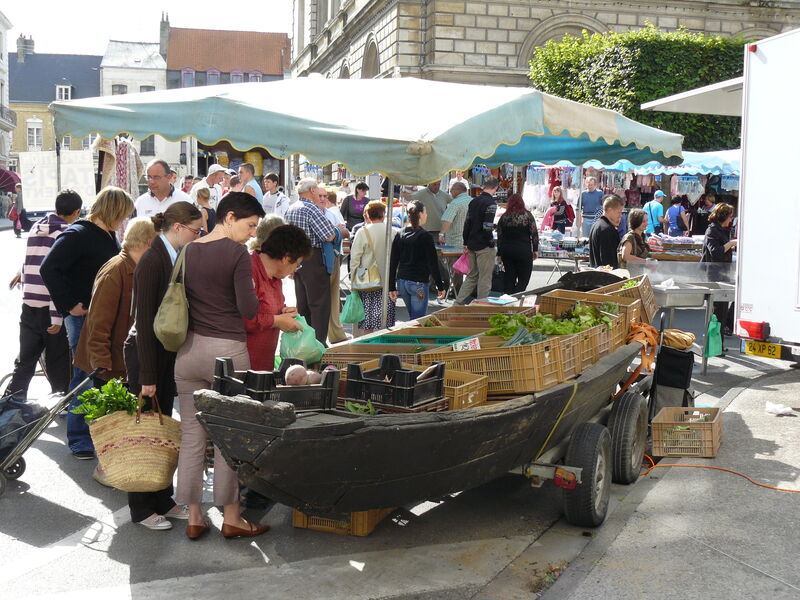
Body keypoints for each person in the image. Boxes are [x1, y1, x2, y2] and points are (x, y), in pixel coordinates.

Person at [174, 192, 267, 540]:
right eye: (249, 225)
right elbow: (247, 308)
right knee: (229, 437)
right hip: (226, 353)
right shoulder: (235, 253)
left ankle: (194, 516)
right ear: (229, 217)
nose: (251, 233)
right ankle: (232, 517)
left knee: (192, 435)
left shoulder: (190, 249)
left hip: (188, 352)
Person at [122, 201, 202, 530]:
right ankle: (141, 509)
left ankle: (163, 499)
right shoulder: (154, 260)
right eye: (197, 230)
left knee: (162, 434)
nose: (199, 236)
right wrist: (148, 377)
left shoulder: (169, 254)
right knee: (145, 438)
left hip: (160, 356)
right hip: (147, 359)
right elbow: (142, 322)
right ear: (178, 227)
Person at [40, 187, 134, 459]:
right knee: (84, 377)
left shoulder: (106, 233)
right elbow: (49, 268)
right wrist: (69, 305)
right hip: (82, 319)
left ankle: (95, 435)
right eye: (123, 214)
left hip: (97, 317)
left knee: (96, 377)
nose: (124, 219)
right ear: (114, 211)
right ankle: (80, 439)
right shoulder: (78, 233)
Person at [73, 218, 157, 485]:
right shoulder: (117, 269)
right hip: (108, 362)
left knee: (122, 418)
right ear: (149, 242)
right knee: (112, 420)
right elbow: (98, 321)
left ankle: (117, 466)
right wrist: (101, 361)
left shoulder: (134, 267)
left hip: (121, 360)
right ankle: (105, 468)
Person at [3, 190, 82, 402]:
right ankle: (62, 402)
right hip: (50, 308)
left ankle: (12, 403)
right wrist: (57, 317)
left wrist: (22, 273)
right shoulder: (67, 234)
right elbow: (56, 279)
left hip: (29, 303)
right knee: (58, 361)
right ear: (76, 212)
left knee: (26, 358)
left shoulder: (36, 228)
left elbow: (33, 261)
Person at [245, 224, 309, 371]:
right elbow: (244, 319)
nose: (294, 271)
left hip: (263, 365)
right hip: (244, 365)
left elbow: (270, 311)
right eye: (297, 265)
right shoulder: (248, 269)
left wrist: (286, 314)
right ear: (286, 258)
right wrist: (277, 320)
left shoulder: (276, 278)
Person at [285, 179, 337, 346]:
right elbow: (329, 235)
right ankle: (318, 343)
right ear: (312, 190)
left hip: (295, 257)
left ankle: (306, 341)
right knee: (319, 304)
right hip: (312, 258)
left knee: (303, 304)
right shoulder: (311, 209)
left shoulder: (291, 208)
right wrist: (338, 231)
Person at [389, 201, 445, 319]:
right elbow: (432, 263)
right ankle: (414, 337)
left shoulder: (400, 234)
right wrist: (440, 286)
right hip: (418, 282)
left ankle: (410, 336)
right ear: (420, 214)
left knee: (413, 318)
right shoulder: (425, 236)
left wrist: (391, 286)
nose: (427, 215)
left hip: (402, 282)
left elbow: (393, 261)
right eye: (425, 212)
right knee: (418, 319)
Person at [350, 201, 397, 332]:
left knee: (367, 319)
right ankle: (382, 345)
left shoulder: (362, 232)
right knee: (385, 318)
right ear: (383, 215)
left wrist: (353, 280)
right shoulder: (392, 231)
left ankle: (368, 345)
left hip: (366, 278)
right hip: (387, 278)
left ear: (368, 215)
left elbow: (355, 259)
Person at [454, 177, 499, 305]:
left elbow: (467, 223)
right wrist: (491, 243)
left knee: (471, 276)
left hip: (472, 243)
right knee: (485, 278)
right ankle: (480, 306)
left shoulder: (474, 201)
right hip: (483, 246)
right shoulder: (491, 204)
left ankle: (458, 303)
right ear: (495, 188)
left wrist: (465, 242)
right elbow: (487, 226)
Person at [317, 187, 349, 343]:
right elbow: (332, 235)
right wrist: (337, 232)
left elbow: (340, 233)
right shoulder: (319, 213)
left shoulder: (330, 213)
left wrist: (336, 233)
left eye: (325, 196)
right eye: (320, 196)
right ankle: (326, 335)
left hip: (332, 258)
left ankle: (334, 334)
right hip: (319, 260)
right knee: (321, 300)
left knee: (332, 298)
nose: (323, 199)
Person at [702, 202, 737, 337]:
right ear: (723, 216)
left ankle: (718, 343)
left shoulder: (721, 230)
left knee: (721, 310)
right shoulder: (712, 230)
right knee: (717, 311)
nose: (731, 219)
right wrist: (732, 243)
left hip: (722, 273)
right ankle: (714, 342)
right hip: (714, 275)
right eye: (729, 216)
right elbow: (716, 252)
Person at [497, 193, 539, 294]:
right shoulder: (527, 215)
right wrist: (535, 250)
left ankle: (509, 299)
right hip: (523, 250)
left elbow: (500, 237)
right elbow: (534, 234)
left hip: (507, 251)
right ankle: (517, 296)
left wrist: (499, 253)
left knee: (509, 278)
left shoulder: (504, 217)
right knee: (523, 279)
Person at [438, 181, 472, 297]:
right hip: (469, 241)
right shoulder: (473, 201)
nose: (451, 193)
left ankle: (456, 291)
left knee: (455, 268)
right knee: (469, 268)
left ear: (457, 190)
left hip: (455, 241)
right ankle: (467, 291)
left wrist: (441, 234)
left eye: (451, 190)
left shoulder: (455, 203)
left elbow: (447, 220)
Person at [588, 194, 624, 269]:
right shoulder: (607, 229)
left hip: (597, 274)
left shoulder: (597, 225)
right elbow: (608, 261)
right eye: (619, 212)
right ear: (610, 210)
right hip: (606, 277)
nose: (620, 216)